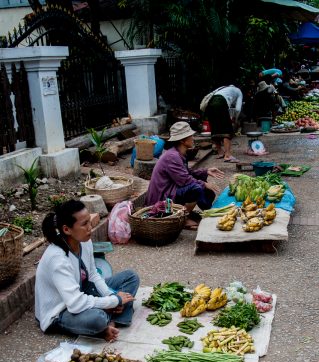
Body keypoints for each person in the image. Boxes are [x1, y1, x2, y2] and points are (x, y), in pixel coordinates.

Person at [35, 199, 139, 342]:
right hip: (61, 311)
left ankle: (111, 323)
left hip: (83, 292)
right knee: (97, 319)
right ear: (66, 229)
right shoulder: (57, 259)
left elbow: (93, 275)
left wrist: (111, 296)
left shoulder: (85, 241)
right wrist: (113, 301)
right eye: (84, 224)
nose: (90, 227)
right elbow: (75, 303)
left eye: (89, 221)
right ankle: (107, 323)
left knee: (131, 277)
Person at [145, 121, 224, 230]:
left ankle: (185, 212)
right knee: (196, 188)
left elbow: (186, 172)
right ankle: (183, 218)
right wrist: (204, 184)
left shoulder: (179, 153)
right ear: (183, 140)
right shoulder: (172, 156)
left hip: (172, 190)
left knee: (207, 192)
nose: (193, 138)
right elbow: (185, 180)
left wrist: (206, 171)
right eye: (190, 136)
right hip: (162, 198)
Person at [200, 85, 243, 162]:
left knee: (215, 128)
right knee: (227, 129)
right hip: (221, 103)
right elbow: (238, 109)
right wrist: (235, 119)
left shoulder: (222, 88)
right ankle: (228, 155)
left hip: (210, 105)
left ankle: (220, 152)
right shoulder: (238, 91)